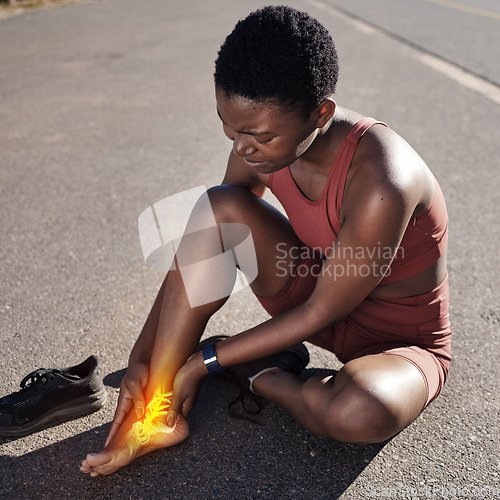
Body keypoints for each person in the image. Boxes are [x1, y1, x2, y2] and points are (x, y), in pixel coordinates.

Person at [80, 5, 452, 477]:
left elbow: (321, 310)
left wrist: (202, 364)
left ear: (321, 113)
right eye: (228, 127)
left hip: (396, 341)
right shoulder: (265, 142)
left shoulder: (384, 179)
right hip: (313, 299)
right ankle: (158, 409)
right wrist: (144, 359)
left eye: (256, 135)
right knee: (220, 205)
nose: (240, 147)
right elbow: (209, 233)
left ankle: (264, 373)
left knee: (359, 411)